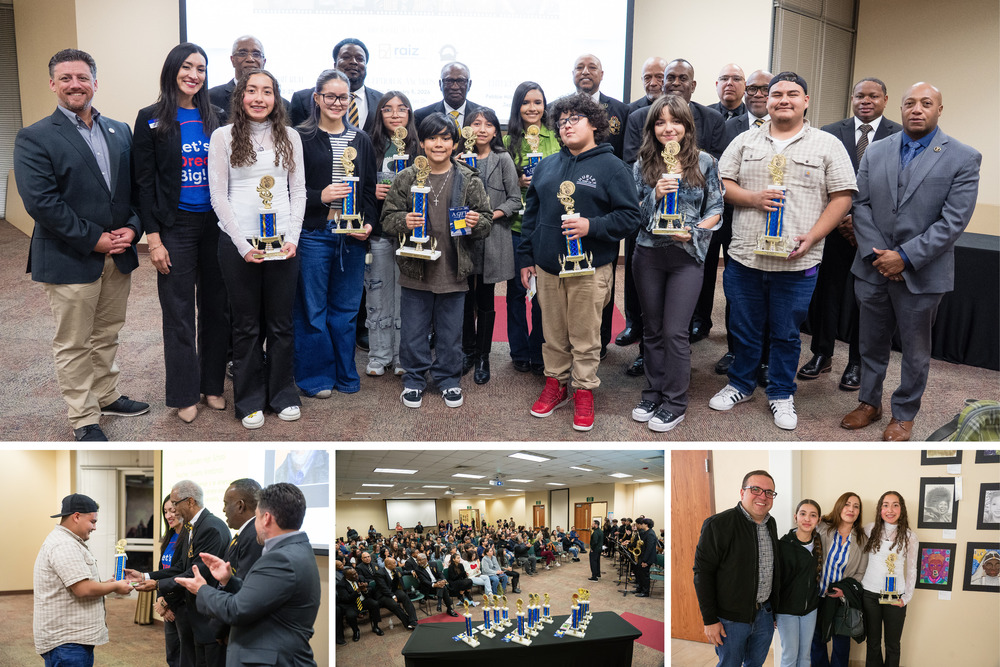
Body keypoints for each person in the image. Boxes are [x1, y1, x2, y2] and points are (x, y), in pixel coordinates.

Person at [14, 48, 149, 442]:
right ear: (53, 84)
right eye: (66, 78)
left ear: (95, 82)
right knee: (73, 342)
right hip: (68, 256)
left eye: (82, 77)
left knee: (107, 332)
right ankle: (84, 416)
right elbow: (42, 202)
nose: (76, 84)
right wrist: (94, 239)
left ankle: (106, 395)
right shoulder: (35, 136)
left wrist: (133, 228)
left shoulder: (120, 130)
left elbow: (134, 191)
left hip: (118, 252)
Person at [711, 72, 857, 431]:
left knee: (786, 332)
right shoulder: (745, 141)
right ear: (766, 100)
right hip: (746, 256)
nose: (783, 100)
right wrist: (753, 198)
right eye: (777, 94)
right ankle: (741, 384)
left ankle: (780, 393)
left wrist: (814, 236)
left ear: (806, 100)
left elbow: (842, 196)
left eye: (793, 94)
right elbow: (722, 183)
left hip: (798, 259)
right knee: (743, 327)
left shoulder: (827, 144)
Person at [841, 82, 981, 442]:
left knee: (916, 352)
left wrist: (903, 258)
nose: (917, 109)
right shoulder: (876, 151)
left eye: (926, 103)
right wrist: (880, 257)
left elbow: (953, 222)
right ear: (899, 108)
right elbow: (861, 205)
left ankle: (904, 414)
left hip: (922, 274)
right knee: (870, 344)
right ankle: (869, 403)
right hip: (872, 269)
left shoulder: (963, 157)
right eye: (910, 103)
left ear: (939, 109)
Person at [519, 93, 640, 431]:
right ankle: (555, 384)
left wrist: (593, 226)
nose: (566, 125)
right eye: (562, 120)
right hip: (547, 267)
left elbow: (631, 217)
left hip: (590, 268)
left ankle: (584, 390)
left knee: (585, 336)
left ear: (594, 124)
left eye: (575, 118)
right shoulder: (547, 165)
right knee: (553, 333)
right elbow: (532, 214)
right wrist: (527, 256)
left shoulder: (613, 167)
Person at [133, 42, 228, 424]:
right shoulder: (151, 118)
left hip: (216, 227)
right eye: (187, 67)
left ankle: (212, 386)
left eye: (201, 69)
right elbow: (143, 183)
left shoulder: (217, 117)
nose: (194, 75)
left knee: (216, 310)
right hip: (176, 228)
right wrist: (153, 239)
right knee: (179, 314)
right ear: (173, 69)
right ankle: (185, 393)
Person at [208, 68, 305, 430]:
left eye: (267, 91)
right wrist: (242, 244)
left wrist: (293, 237)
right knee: (246, 326)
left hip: (283, 244)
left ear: (276, 98)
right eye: (252, 91)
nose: (259, 98)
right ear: (241, 96)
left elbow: (300, 191)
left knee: (281, 324)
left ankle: (282, 394)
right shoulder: (223, 137)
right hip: (238, 244)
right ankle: (248, 400)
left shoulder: (290, 136)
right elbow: (218, 195)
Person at [381, 113, 492, 410]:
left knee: (450, 331)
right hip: (416, 268)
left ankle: (447, 379)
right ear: (421, 142)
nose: (438, 144)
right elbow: (387, 219)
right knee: (414, 330)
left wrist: (475, 220)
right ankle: (414, 380)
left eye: (445, 138)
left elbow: (487, 221)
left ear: (455, 143)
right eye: (432, 138)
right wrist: (403, 220)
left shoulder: (468, 178)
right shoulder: (406, 176)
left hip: (454, 269)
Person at [799, 78, 902, 391]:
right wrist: (841, 217)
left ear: (885, 99)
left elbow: (897, 187)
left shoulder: (899, 136)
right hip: (833, 227)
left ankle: (856, 361)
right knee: (827, 293)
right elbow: (819, 179)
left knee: (866, 299)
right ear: (852, 98)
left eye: (873, 96)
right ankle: (822, 354)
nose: (866, 101)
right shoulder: (829, 132)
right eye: (860, 95)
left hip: (875, 234)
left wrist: (860, 222)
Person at [630, 95, 723, 432]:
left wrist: (695, 231)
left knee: (674, 332)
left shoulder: (706, 163)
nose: (668, 128)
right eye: (660, 122)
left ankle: (675, 402)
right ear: (652, 128)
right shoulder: (642, 165)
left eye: (675, 121)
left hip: (686, 257)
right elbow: (633, 215)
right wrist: (653, 195)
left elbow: (717, 209)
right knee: (652, 329)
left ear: (687, 126)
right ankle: (652, 392)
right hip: (648, 255)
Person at [293, 69, 376, 398]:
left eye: (343, 97)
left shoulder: (361, 139)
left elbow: (368, 191)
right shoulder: (299, 137)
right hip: (314, 232)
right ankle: (316, 377)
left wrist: (367, 224)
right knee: (313, 309)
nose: (337, 103)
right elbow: (291, 190)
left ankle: (345, 372)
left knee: (346, 309)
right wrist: (321, 196)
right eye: (330, 96)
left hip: (352, 237)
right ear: (317, 98)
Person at [175, 483, 321, 666]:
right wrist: (229, 581)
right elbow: (261, 597)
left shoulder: (280, 559)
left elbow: (236, 610)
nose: (255, 524)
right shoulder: (298, 550)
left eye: (257, 517)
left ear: (266, 518)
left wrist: (201, 590)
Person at [710, 69, 775, 380]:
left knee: (771, 292)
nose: (759, 94)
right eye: (753, 88)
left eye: (766, 88)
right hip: (731, 217)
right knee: (738, 289)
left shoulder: (791, 129)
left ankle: (766, 356)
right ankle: (735, 349)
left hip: (774, 220)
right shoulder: (729, 126)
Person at [126, 480, 231, 667]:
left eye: (175, 503)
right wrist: (145, 577)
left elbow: (196, 573)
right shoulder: (194, 527)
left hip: (208, 617)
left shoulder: (211, 528)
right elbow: (181, 566)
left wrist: (158, 585)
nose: (173, 509)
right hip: (195, 615)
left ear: (190, 501)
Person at [571, 54, 630, 357]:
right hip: (570, 194)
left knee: (601, 270)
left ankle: (601, 339)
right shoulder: (562, 108)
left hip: (605, 199)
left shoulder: (620, 110)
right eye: (579, 67)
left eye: (591, 67)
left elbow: (627, 155)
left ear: (602, 74)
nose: (585, 72)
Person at [33, 494, 133, 666]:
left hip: (71, 640)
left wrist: (107, 585)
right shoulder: (64, 545)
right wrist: (116, 586)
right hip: (67, 642)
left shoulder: (68, 541)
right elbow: (83, 589)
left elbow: (80, 582)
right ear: (77, 516)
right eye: (92, 521)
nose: (94, 527)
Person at [693, 470, 779, 667]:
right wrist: (709, 620)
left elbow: (773, 570)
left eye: (769, 492)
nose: (762, 496)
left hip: (764, 615)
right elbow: (702, 575)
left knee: (755, 664)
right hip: (731, 620)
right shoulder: (718, 524)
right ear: (742, 493)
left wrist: (774, 609)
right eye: (755, 489)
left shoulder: (770, 523)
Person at [461, 107, 521, 383]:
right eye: (476, 123)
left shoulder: (503, 158)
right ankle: (467, 352)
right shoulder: (457, 158)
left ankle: (483, 356)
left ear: (497, 131)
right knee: (463, 296)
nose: (482, 129)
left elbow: (514, 200)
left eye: (488, 124)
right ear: (466, 129)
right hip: (462, 237)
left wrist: (488, 216)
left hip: (493, 236)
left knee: (485, 297)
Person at [503, 82, 559, 375]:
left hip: (546, 225)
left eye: (538, 102)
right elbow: (499, 181)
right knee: (516, 290)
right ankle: (519, 350)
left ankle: (539, 350)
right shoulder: (507, 140)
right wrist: (519, 182)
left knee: (542, 293)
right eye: (526, 102)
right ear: (518, 107)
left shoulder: (557, 136)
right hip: (516, 225)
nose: (533, 108)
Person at [365, 91, 419, 377]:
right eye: (388, 109)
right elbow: (356, 185)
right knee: (377, 293)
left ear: (409, 114)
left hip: (410, 234)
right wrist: (370, 191)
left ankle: (401, 356)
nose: (395, 114)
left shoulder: (419, 149)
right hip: (379, 233)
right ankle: (378, 355)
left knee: (406, 296)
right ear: (379, 114)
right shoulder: (367, 145)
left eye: (401, 109)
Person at [624, 59, 727, 165]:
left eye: (683, 78)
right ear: (663, 84)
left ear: (693, 86)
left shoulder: (713, 120)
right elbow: (631, 164)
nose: (676, 83)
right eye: (671, 78)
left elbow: (716, 165)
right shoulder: (638, 118)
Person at [811, 492, 869, 667]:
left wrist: (845, 590)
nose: (851, 509)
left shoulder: (862, 540)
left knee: (841, 645)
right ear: (839, 506)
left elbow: (860, 573)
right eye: (847, 504)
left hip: (841, 600)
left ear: (859, 512)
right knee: (816, 642)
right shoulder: (822, 528)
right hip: (817, 595)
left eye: (856, 506)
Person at [861, 491, 917, 667]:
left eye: (895, 505)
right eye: (885, 505)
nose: (890, 509)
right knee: (873, 644)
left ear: (902, 509)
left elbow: (912, 569)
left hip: (895, 597)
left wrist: (906, 598)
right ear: (880, 509)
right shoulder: (869, 530)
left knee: (892, 645)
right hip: (869, 594)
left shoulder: (910, 537)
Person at [290, 38, 382, 134]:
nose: (353, 62)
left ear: (366, 66)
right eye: (346, 57)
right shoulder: (303, 99)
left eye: (360, 59)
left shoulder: (381, 101)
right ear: (335, 65)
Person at [776, 499, 823, 667]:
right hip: (787, 611)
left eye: (813, 515)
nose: (807, 519)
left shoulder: (819, 544)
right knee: (790, 657)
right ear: (796, 517)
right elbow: (776, 581)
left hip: (810, 610)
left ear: (818, 520)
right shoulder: (783, 545)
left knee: (805, 657)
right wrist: (773, 611)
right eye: (803, 514)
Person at [207, 36, 287, 113]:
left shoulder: (283, 105)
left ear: (264, 62)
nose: (250, 59)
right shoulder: (211, 97)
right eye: (242, 53)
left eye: (256, 54)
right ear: (232, 60)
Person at [154, 496, 183, 667]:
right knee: (172, 656)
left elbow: (183, 574)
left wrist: (166, 602)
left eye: (172, 510)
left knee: (186, 657)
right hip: (167, 605)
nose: (169, 515)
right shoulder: (169, 537)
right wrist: (160, 599)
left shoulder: (189, 539)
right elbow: (162, 572)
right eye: (165, 511)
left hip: (180, 605)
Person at [414, 62, 482, 128]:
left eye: (461, 81)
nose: (455, 87)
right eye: (449, 81)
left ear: (469, 84)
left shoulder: (483, 115)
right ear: (440, 84)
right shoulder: (422, 115)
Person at [337, 566, 383, 642]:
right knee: (350, 615)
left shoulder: (360, 577)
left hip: (363, 600)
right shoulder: (341, 585)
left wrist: (365, 590)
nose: (356, 575)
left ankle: (375, 626)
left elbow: (370, 590)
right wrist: (358, 590)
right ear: (347, 577)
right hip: (351, 604)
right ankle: (356, 631)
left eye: (356, 573)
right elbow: (346, 599)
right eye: (353, 575)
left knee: (375, 604)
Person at [633, 518, 657, 597]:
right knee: (640, 573)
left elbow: (649, 549)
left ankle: (645, 592)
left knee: (644, 575)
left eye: (642, 523)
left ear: (646, 525)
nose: (641, 525)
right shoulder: (646, 533)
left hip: (647, 558)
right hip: (643, 556)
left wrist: (645, 561)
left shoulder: (650, 534)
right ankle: (640, 588)